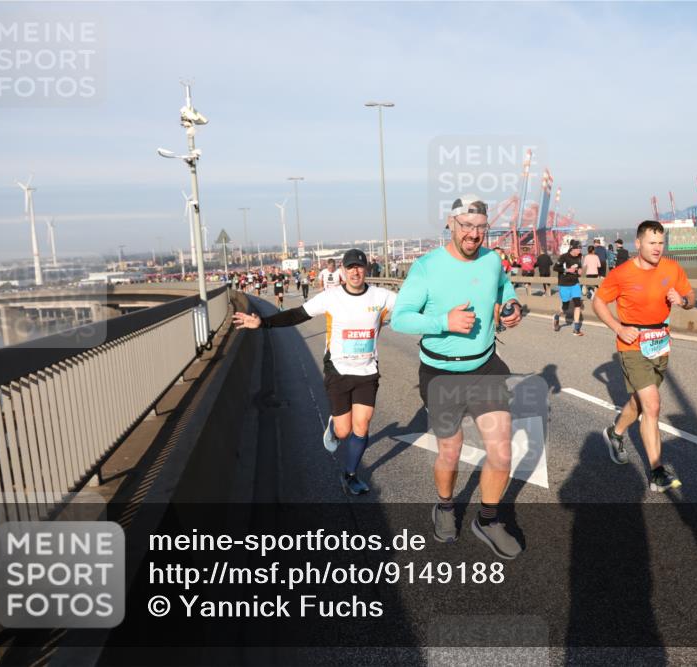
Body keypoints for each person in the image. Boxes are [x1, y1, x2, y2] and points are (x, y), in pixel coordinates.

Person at [391, 194, 523, 559]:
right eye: (466, 226)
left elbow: (504, 290)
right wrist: (443, 322)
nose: (474, 234)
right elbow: (399, 317)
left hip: (485, 366)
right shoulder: (426, 267)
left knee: (501, 450)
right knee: (451, 450)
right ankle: (445, 506)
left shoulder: (493, 259)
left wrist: (512, 309)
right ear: (450, 224)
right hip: (441, 373)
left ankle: (489, 519)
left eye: (481, 227)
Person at [232, 249, 396, 495]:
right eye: (350, 267)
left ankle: (350, 475)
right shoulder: (331, 297)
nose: (355, 271)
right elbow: (297, 314)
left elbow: (413, 305)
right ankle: (334, 426)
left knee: (362, 426)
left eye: (360, 267)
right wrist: (263, 323)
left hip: (367, 370)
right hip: (338, 370)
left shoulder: (381, 296)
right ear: (342, 270)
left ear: (366, 270)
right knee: (343, 431)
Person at [592, 220, 695, 492]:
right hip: (633, 344)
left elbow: (691, 296)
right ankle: (657, 471)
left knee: (638, 403)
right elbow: (598, 301)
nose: (658, 248)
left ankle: (615, 434)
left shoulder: (672, 268)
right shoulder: (622, 273)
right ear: (637, 244)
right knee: (652, 406)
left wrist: (682, 300)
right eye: (652, 243)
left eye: (661, 243)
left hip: (660, 343)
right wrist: (618, 327)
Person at [553, 239, 585, 336]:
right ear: (573, 248)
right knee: (565, 307)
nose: (580, 250)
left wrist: (580, 270)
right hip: (564, 284)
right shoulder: (564, 257)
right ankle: (556, 317)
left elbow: (579, 266)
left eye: (580, 248)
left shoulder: (579, 256)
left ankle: (576, 329)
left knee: (577, 304)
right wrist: (567, 270)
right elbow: (555, 268)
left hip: (575, 283)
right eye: (578, 249)